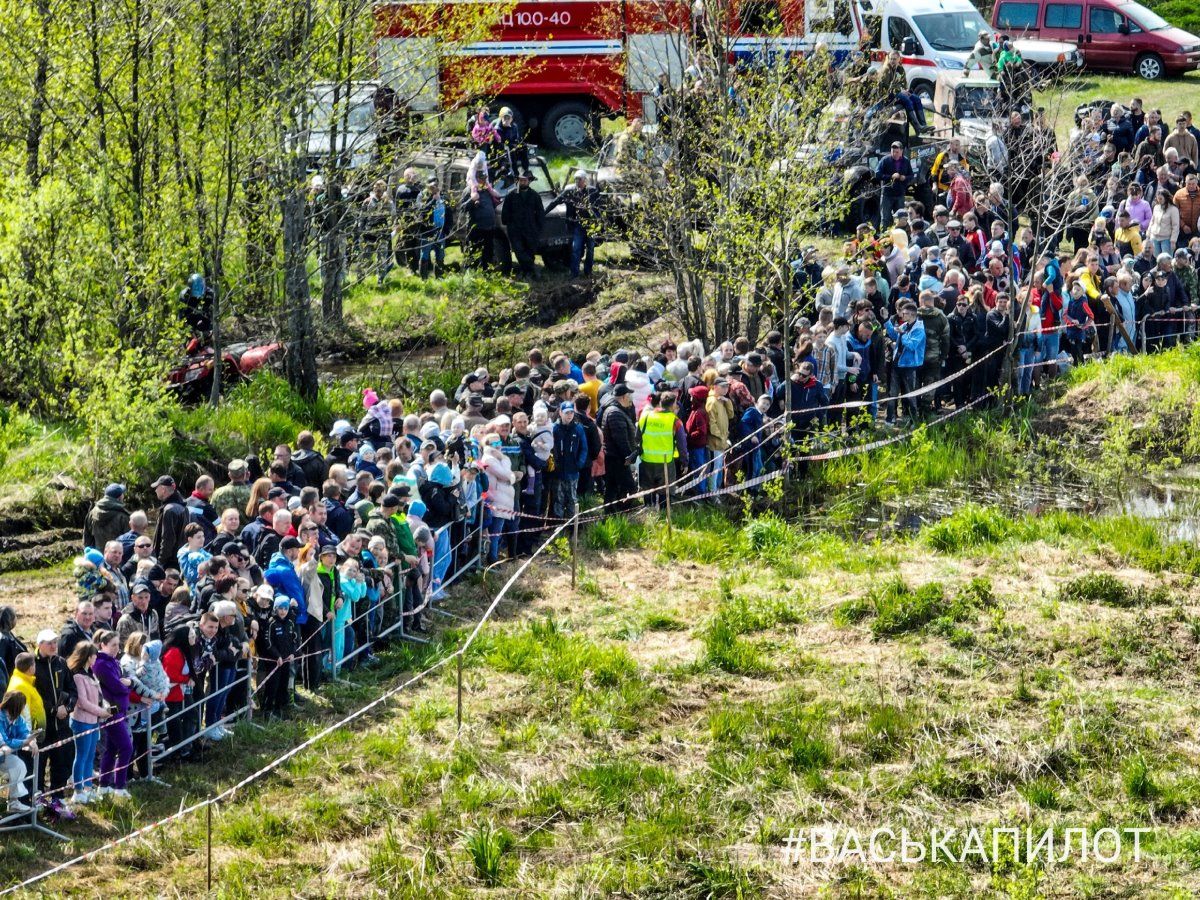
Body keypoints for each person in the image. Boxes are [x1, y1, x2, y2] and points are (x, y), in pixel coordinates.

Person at [547, 171, 602, 278]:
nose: (577, 181)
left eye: (580, 179)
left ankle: (588, 272)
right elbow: (555, 202)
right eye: (576, 179)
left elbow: (600, 207)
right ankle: (574, 273)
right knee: (576, 249)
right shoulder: (569, 191)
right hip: (578, 225)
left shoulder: (592, 191)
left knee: (590, 250)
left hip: (591, 225)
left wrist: (599, 222)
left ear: (585, 180)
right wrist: (543, 212)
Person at [501, 170, 545, 278]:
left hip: (530, 229)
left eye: (525, 180)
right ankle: (532, 270)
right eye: (521, 180)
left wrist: (538, 228)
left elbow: (540, 212)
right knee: (519, 251)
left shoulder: (535, 196)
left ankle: (527, 273)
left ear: (529, 181)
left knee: (530, 251)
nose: (522, 182)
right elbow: (505, 212)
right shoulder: (511, 195)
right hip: (515, 230)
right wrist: (509, 224)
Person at [600, 384, 639, 508]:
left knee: (612, 488)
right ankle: (621, 513)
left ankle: (611, 514)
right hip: (617, 458)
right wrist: (629, 456)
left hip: (614, 457)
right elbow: (620, 439)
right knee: (629, 488)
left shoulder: (614, 410)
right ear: (622, 397)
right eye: (629, 396)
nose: (631, 399)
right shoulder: (615, 413)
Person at [150, 475, 190, 571]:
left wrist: (160, 562)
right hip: (180, 559)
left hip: (169, 563)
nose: (155, 490)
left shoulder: (169, 510)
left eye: (157, 488)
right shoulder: (184, 507)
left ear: (163, 489)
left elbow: (168, 539)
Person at [876, 141, 912, 232]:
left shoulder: (906, 161)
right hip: (887, 195)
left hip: (900, 194)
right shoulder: (885, 160)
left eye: (897, 152)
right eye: (893, 152)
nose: (894, 154)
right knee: (885, 219)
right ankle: (885, 238)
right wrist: (890, 177)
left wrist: (905, 178)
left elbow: (911, 175)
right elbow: (877, 174)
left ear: (901, 151)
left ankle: (900, 236)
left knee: (901, 218)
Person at [416, 177, 447, 279]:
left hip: (440, 231)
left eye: (436, 185)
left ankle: (439, 277)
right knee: (424, 255)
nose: (434, 187)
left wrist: (448, 228)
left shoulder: (443, 196)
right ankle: (424, 279)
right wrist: (433, 200)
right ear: (427, 185)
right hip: (427, 231)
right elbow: (422, 210)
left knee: (440, 255)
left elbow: (449, 212)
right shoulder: (422, 196)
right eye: (432, 185)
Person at [83, 484, 130, 552]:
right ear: (120, 497)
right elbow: (129, 542)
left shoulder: (91, 513)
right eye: (123, 494)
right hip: (118, 558)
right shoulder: (123, 516)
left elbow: (87, 540)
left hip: (98, 557)